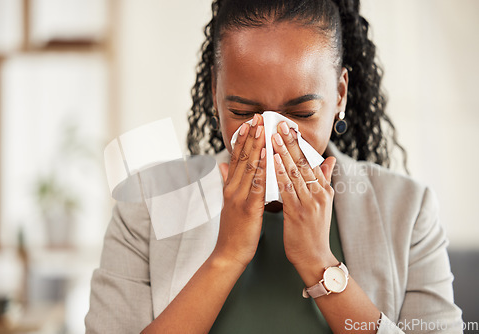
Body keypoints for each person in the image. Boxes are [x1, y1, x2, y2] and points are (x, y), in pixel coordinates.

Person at [85, 0, 463, 333]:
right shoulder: (147, 205)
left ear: (340, 95)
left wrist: (320, 264)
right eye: (243, 112)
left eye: (300, 113)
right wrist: (226, 256)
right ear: (215, 92)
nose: (270, 136)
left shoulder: (408, 211)